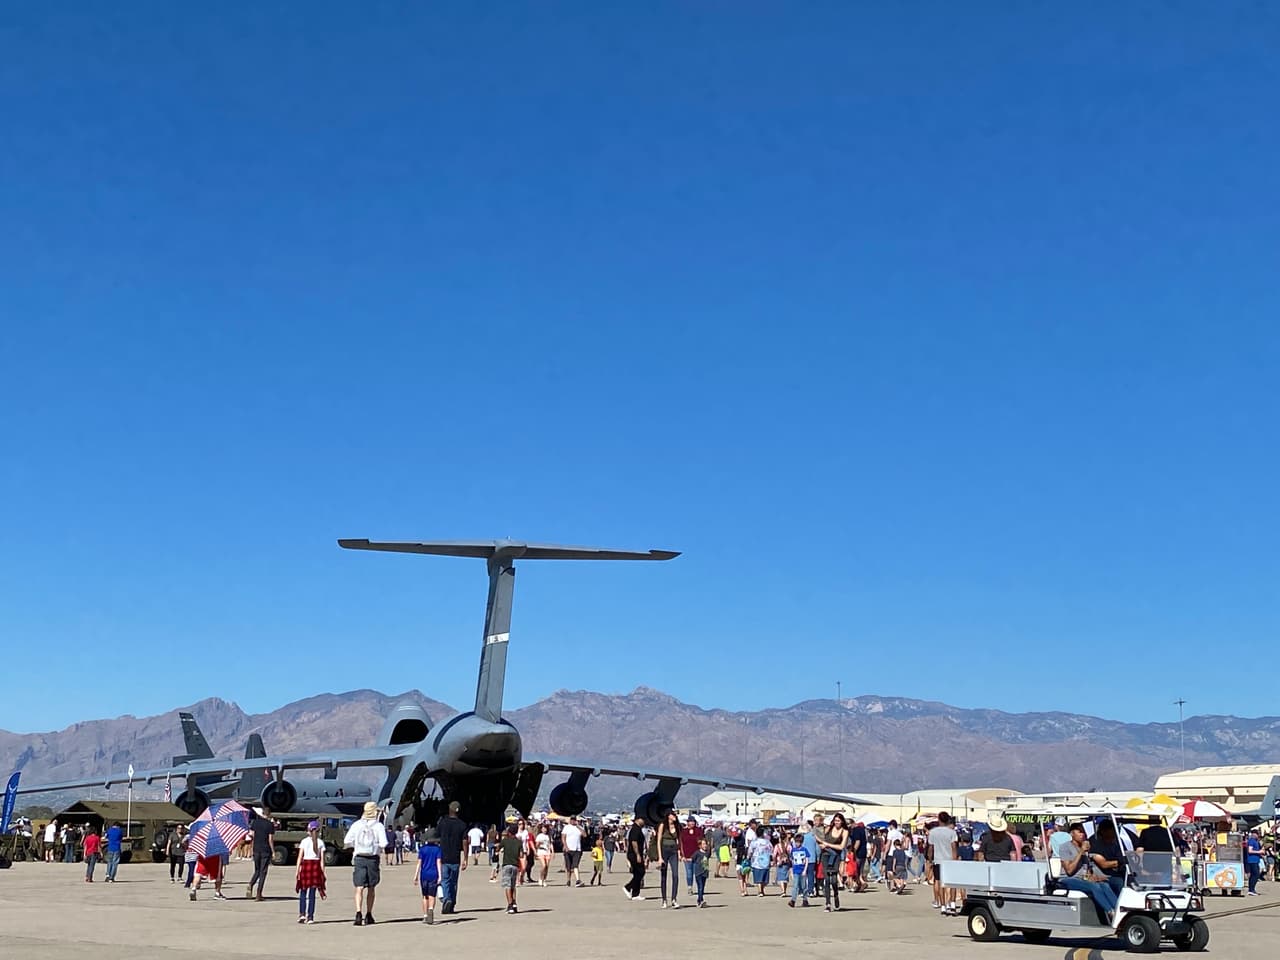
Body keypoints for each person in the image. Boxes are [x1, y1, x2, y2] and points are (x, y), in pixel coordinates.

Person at [1056, 822, 1119, 919]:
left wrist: (1093, 877)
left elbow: (1087, 869)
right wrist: (1081, 852)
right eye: (1079, 832)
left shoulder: (1085, 849)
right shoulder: (1065, 847)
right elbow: (1069, 870)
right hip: (1068, 879)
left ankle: (1119, 910)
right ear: (1072, 833)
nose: (1082, 834)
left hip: (1082, 879)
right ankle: (1110, 912)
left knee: (1105, 885)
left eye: (1083, 832)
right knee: (1095, 887)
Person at [343, 801, 389, 926]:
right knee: (371, 887)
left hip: (359, 857)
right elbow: (384, 843)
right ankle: (369, 913)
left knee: (359, 887)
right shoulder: (378, 826)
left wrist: (356, 845)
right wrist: (378, 847)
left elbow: (347, 840)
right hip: (372, 858)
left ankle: (358, 912)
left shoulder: (357, 825)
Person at [435, 801, 467, 915]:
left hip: (444, 856)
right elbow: (465, 842)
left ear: (449, 810)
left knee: (445, 881)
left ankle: (446, 899)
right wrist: (466, 858)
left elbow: (436, 836)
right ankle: (452, 903)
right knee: (454, 882)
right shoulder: (462, 825)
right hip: (455, 857)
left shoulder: (442, 822)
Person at [295, 821, 327, 924]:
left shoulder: (304, 841)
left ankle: (302, 914)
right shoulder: (321, 842)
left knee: (303, 892)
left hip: (306, 866)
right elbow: (322, 860)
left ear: (308, 831)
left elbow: (300, 857)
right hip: (316, 866)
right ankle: (310, 917)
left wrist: (297, 870)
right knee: (312, 893)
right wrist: (323, 872)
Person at [928, 811, 959, 915]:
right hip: (949, 860)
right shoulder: (952, 832)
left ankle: (943, 906)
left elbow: (931, 848)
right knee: (952, 883)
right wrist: (955, 859)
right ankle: (953, 904)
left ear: (939, 820)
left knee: (941, 882)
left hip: (938, 860)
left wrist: (930, 859)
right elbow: (954, 847)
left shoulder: (933, 832)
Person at [819, 813, 849, 911]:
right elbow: (820, 838)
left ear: (842, 822)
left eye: (838, 821)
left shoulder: (844, 832)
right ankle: (828, 903)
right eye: (835, 820)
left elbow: (841, 846)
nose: (837, 822)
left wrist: (828, 844)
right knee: (827, 879)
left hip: (836, 856)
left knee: (834, 880)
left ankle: (836, 894)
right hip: (825, 856)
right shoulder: (828, 829)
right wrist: (821, 844)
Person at [247, 809, 276, 901]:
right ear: (269, 814)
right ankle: (258, 894)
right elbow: (270, 839)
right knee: (263, 872)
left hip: (256, 849)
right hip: (265, 850)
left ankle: (251, 884)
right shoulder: (270, 825)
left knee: (257, 870)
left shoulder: (255, 823)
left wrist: (252, 848)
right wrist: (273, 851)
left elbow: (252, 835)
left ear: (262, 813)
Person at [415, 827, 442, 923]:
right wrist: (440, 876)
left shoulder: (422, 850)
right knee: (432, 895)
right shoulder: (437, 850)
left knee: (424, 896)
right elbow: (438, 863)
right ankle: (431, 909)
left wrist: (415, 876)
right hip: (434, 874)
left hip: (424, 875)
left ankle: (425, 915)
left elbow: (419, 863)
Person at [656, 810, 683, 907]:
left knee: (675, 875)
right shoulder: (663, 825)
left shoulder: (677, 826)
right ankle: (664, 899)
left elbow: (678, 840)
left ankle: (674, 899)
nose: (674, 816)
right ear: (668, 816)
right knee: (664, 876)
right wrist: (660, 857)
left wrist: (680, 853)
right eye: (673, 815)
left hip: (674, 851)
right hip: (664, 850)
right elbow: (658, 841)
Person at [498, 824, 524, 914]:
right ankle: (514, 903)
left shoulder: (505, 840)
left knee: (507, 886)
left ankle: (510, 905)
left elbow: (498, 848)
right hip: (515, 865)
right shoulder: (519, 842)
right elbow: (521, 855)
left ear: (509, 832)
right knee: (513, 886)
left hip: (506, 865)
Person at [624, 816, 647, 901]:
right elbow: (634, 842)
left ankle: (635, 894)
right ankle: (628, 887)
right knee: (640, 872)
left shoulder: (638, 829)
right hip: (634, 854)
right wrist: (637, 854)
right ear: (638, 820)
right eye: (643, 820)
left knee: (638, 873)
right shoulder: (635, 829)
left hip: (637, 854)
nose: (644, 822)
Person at [787, 830, 811, 908]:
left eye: (798, 842)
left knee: (804, 886)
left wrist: (805, 870)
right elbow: (792, 860)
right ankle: (793, 900)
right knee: (795, 886)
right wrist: (791, 870)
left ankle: (805, 899)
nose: (797, 844)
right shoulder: (793, 850)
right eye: (796, 842)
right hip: (796, 870)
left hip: (802, 870)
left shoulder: (804, 850)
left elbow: (807, 860)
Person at [748, 824, 773, 898]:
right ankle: (761, 890)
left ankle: (760, 890)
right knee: (764, 878)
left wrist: (749, 857)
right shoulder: (767, 842)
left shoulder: (754, 842)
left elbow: (750, 851)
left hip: (756, 861)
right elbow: (771, 850)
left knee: (758, 877)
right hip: (766, 861)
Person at [561, 815, 585, 887]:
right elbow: (563, 837)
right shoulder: (566, 827)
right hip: (568, 849)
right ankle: (568, 880)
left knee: (575, 865)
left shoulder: (579, 827)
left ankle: (578, 880)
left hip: (577, 849)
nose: (573, 821)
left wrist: (578, 826)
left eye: (574, 819)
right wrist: (565, 846)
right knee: (568, 867)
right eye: (572, 819)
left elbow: (584, 835)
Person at [1246, 828, 1263, 896]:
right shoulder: (1251, 841)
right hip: (1252, 860)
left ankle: (1251, 889)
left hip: (1255, 860)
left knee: (1253, 875)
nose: (1258, 835)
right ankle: (1251, 889)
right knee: (1256, 875)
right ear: (1254, 834)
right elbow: (1250, 850)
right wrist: (1259, 852)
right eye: (1257, 834)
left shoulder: (1256, 841)